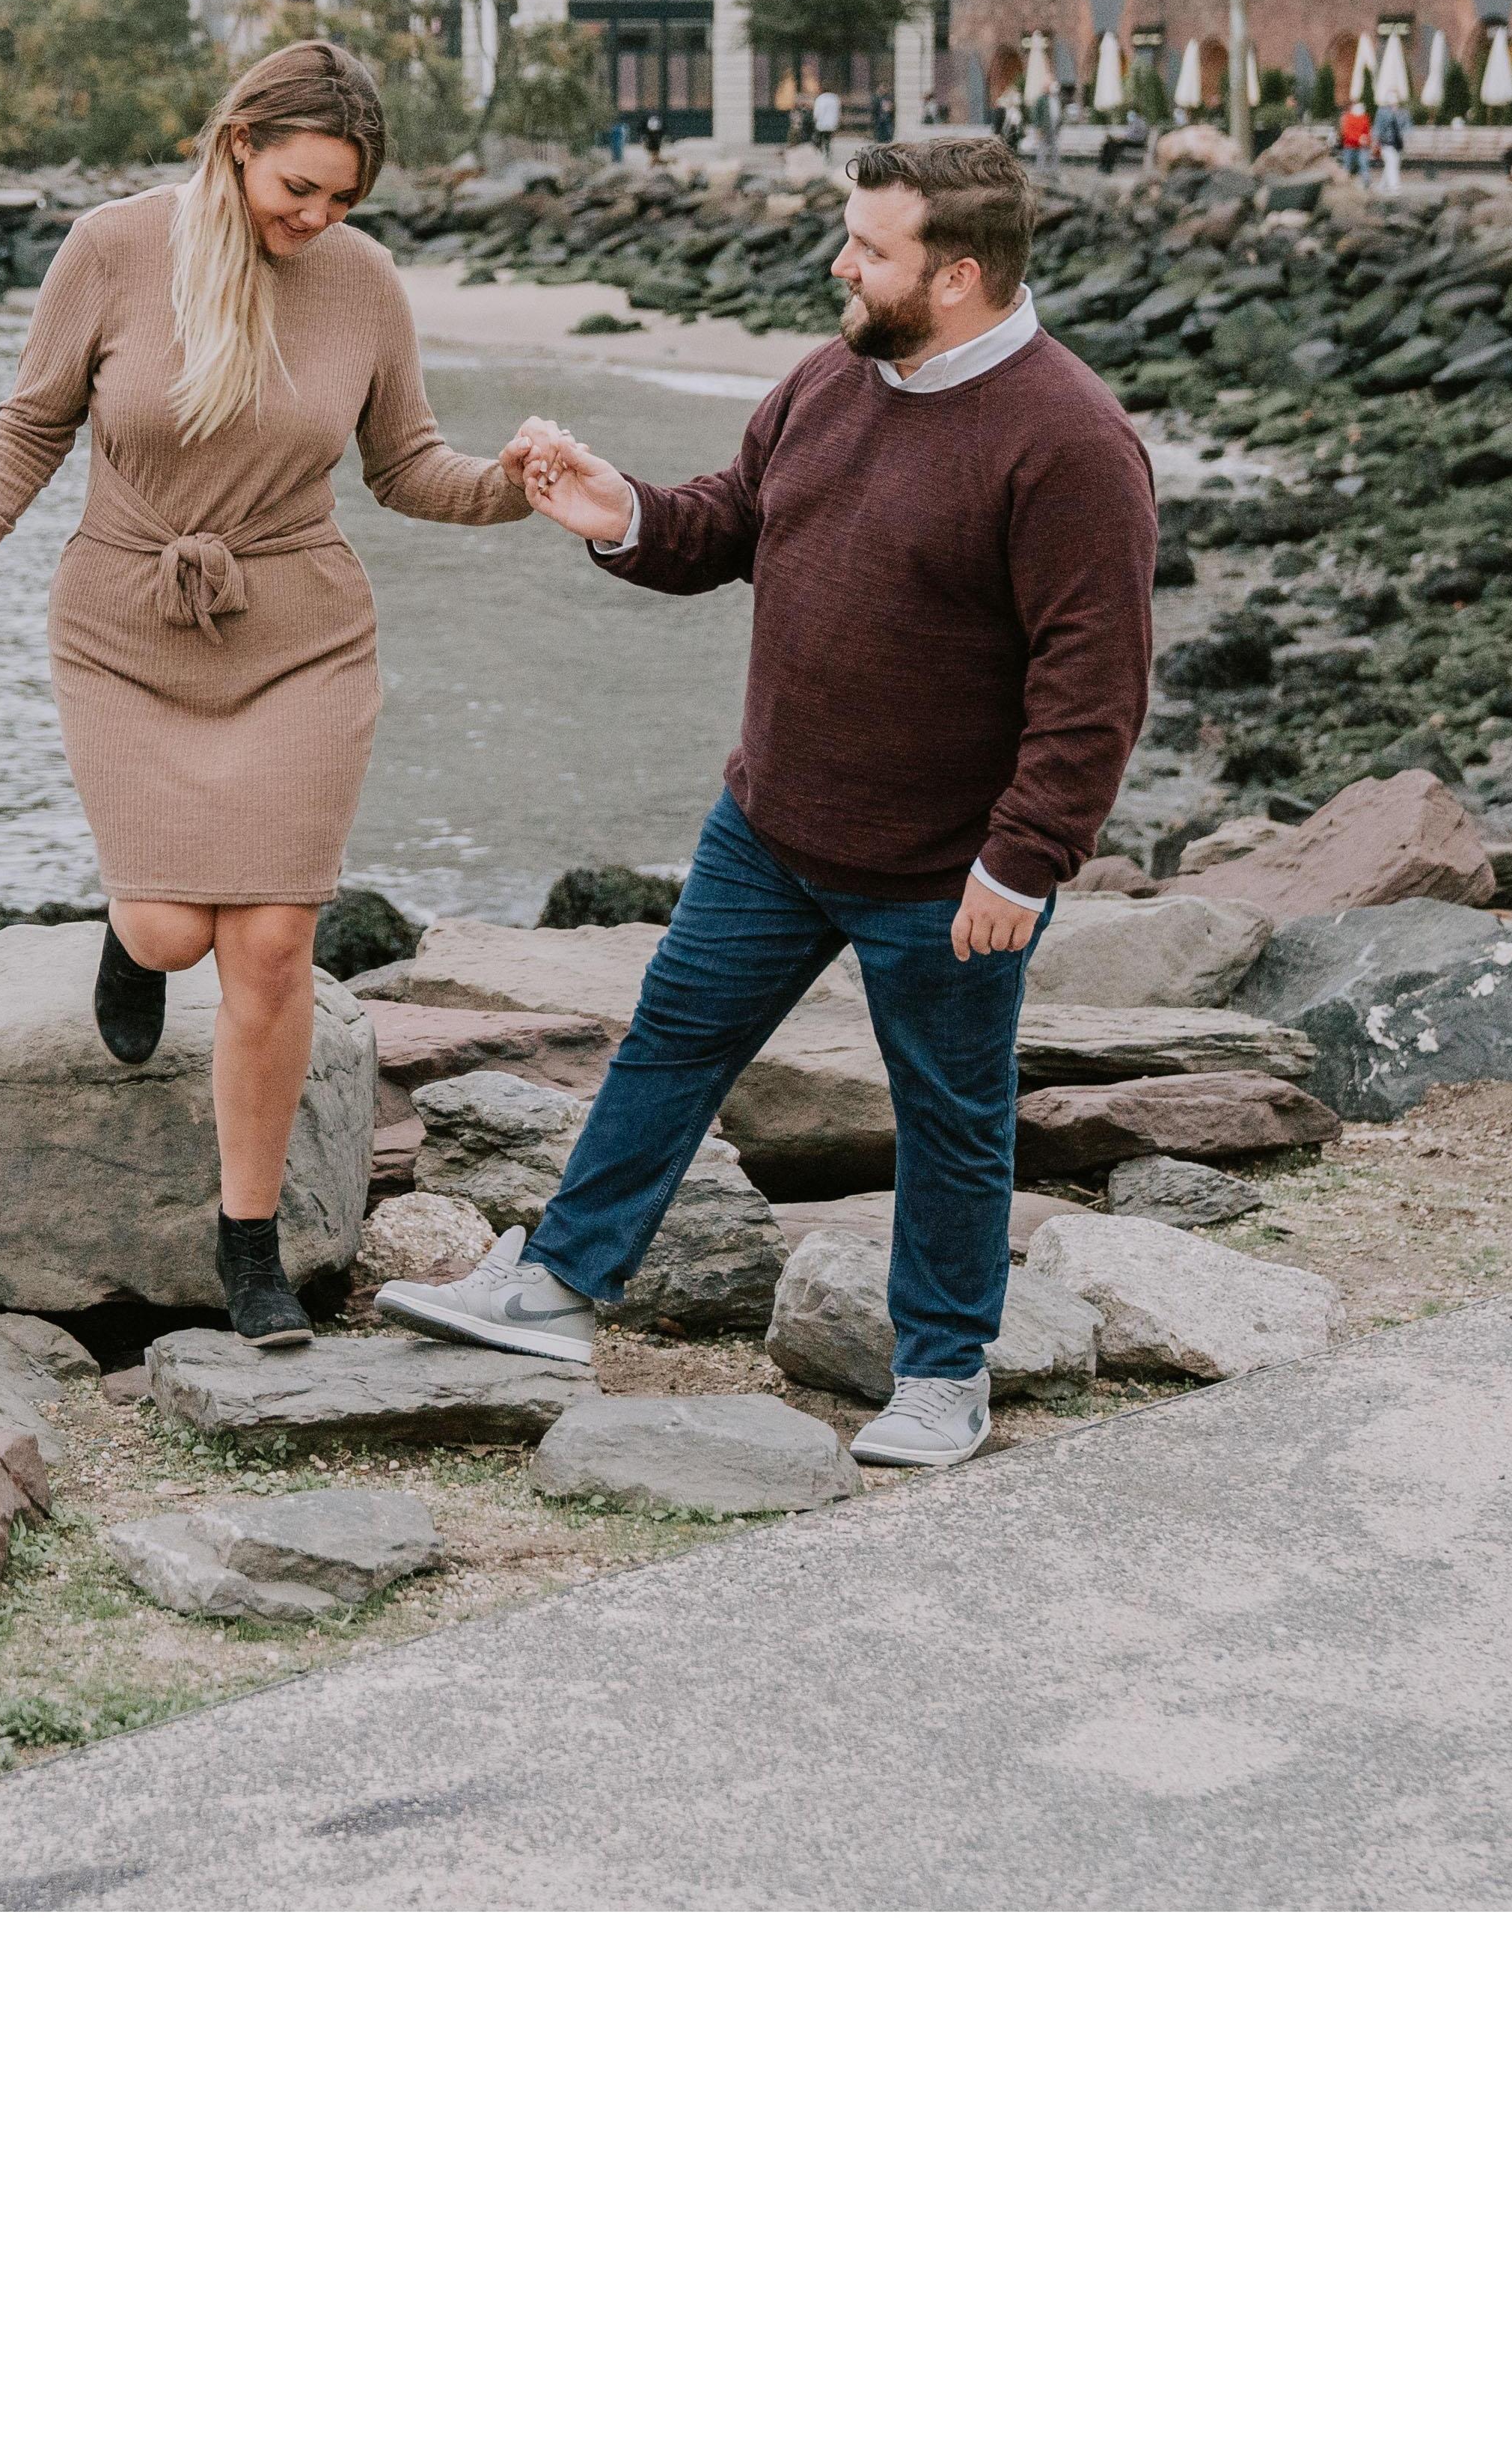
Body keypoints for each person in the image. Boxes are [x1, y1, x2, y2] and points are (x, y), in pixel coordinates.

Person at [382, 130, 1157, 1469]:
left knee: (952, 1121)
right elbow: (737, 521)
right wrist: (621, 511)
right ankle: (556, 1289)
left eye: (869, 248)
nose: (838, 264)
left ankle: (941, 1375)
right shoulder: (828, 378)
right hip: (771, 827)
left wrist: (1024, 859)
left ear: (959, 275)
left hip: (946, 869)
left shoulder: (1073, 442)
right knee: (668, 1047)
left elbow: (1095, 685)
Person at [0, 40, 541, 1343]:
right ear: (239, 142)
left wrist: (515, 484)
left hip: (301, 632)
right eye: (300, 188)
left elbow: (407, 465)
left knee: (273, 941)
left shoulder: (361, 281)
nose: (319, 219)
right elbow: (31, 423)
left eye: (344, 199)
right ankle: (129, 939)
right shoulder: (115, 248)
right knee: (175, 929)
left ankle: (250, 1242)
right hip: (126, 624)